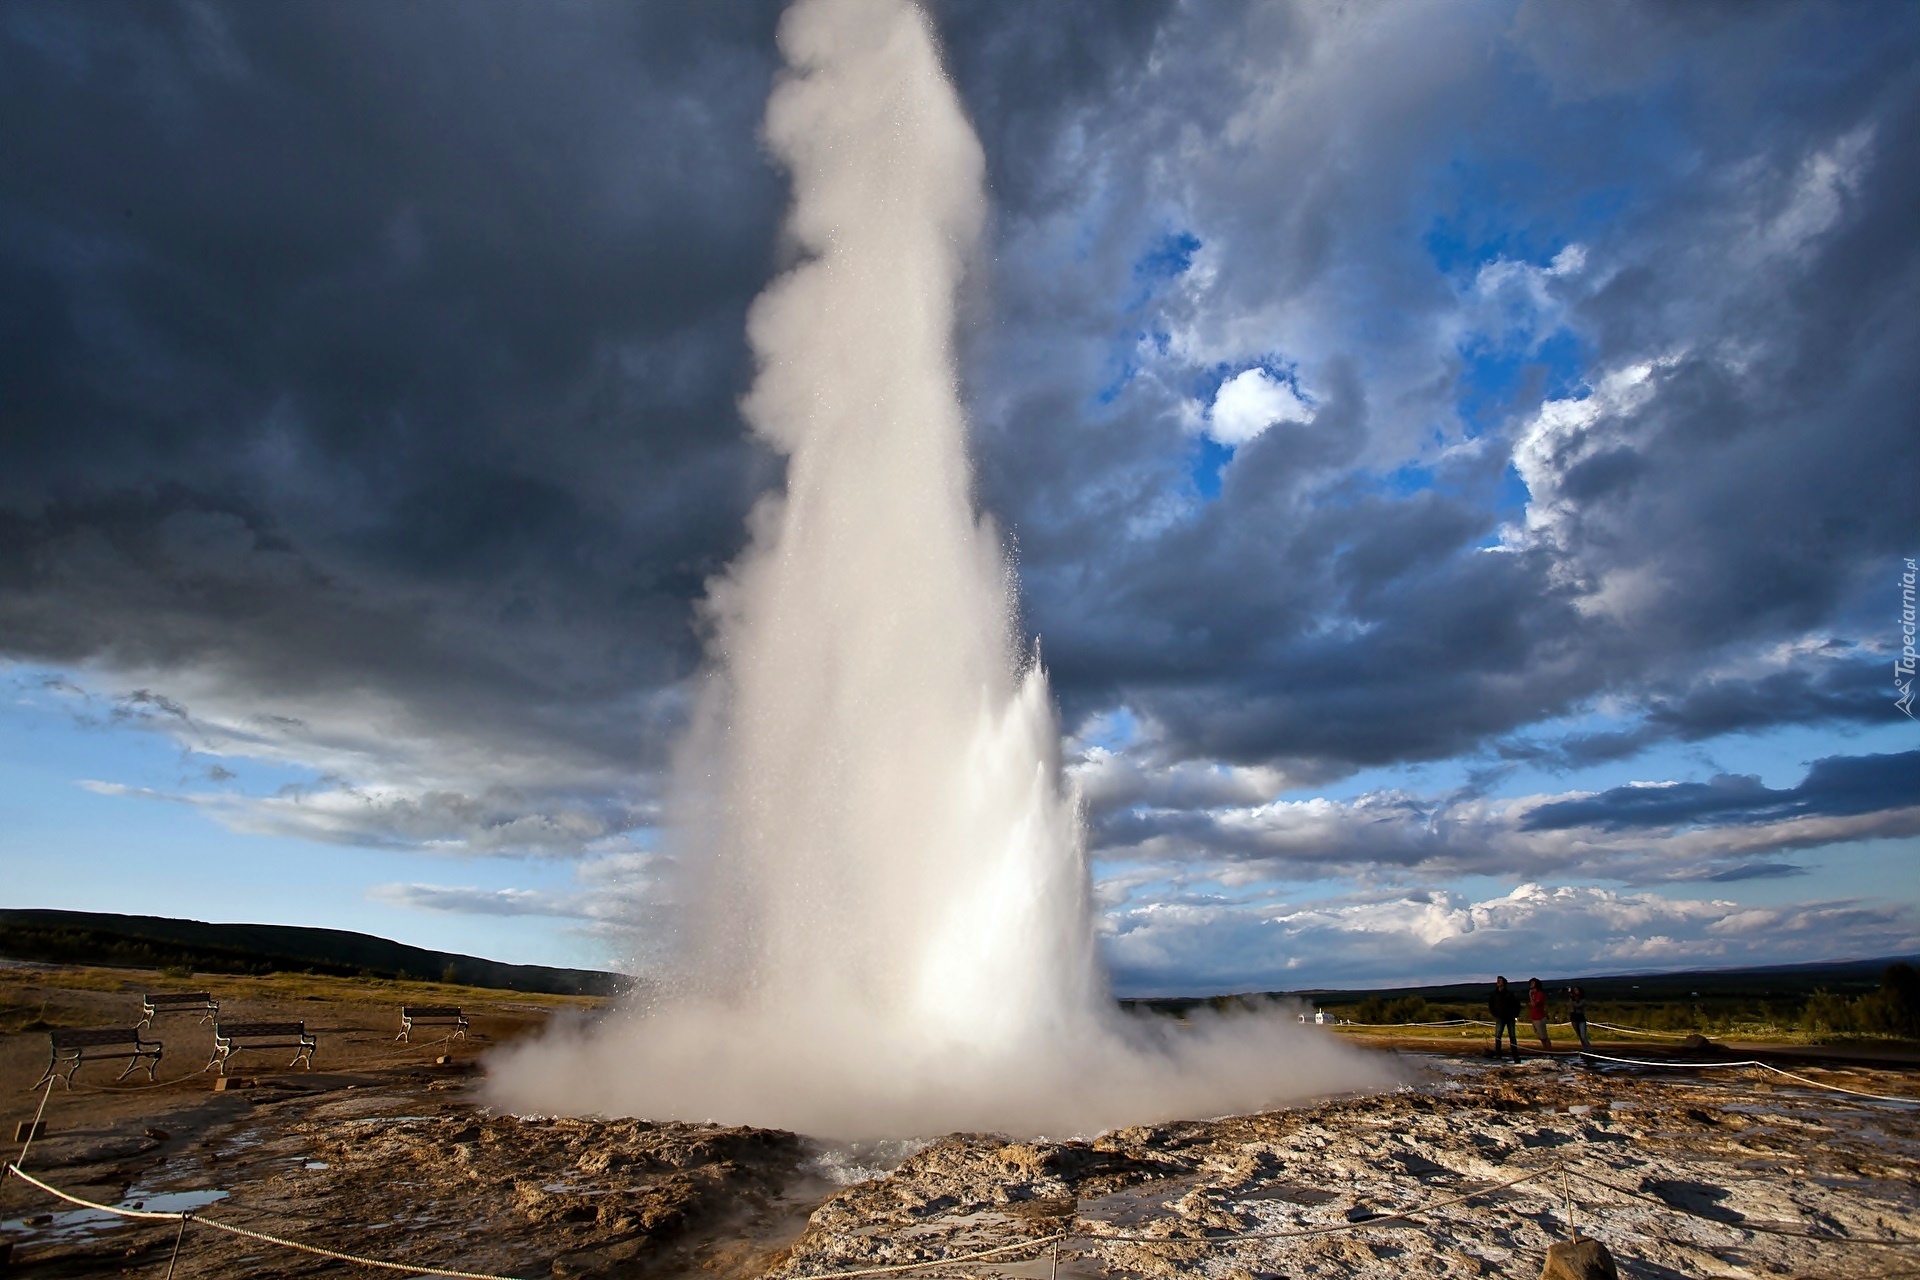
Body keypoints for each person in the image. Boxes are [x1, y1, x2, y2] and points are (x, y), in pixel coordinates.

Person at [1488, 975, 1521, 1061]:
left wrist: (1515, 1014)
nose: (1498, 982)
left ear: (1504, 983)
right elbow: (1491, 1005)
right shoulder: (1494, 994)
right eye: (1497, 980)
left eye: (1500, 980)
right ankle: (1498, 1054)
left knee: (1512, 1036)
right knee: (1498, 1036)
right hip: (1499, 1017)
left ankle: (1515, 1054)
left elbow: (1517, 1005)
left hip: (1510, 1017)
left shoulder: (1509, 994)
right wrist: (1494, 1014)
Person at [1527, 977, 1553, 1050]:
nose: (1531, 984)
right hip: (1534, 1018)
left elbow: (1534, 1004)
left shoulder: (1539, 994)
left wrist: (1530, 996)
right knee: (1540, 1037)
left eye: (1533, 983)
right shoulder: (1533, 994)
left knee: (1544, 1037)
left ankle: (1549, 1052)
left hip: (1540, 1018)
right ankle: (1546, 1050)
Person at [1567, 984, 1592, 1051]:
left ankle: (1590, 1049)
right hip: (1573, 1017)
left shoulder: (1582, 1000)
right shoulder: (1572, 998)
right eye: (1574, 990)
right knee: (1579, 1035)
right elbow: (1570, 1005)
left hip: (1580, 1017)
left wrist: (1573, 1000)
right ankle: (1585, 1048)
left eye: (1576, 990)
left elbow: (1578, 1005)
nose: (1575, 992)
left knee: (1583, 1035)